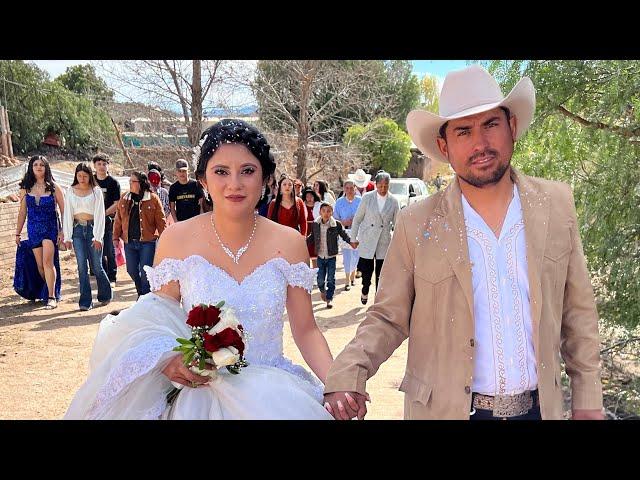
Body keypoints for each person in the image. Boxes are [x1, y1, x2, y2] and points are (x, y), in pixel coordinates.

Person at [323, 64, 604, 421]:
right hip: (446, 412)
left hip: (539, 410)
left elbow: (577, 313)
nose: (480, 143)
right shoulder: (416, 223)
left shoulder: (556, 204)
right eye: (463, 131)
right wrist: (350, 371)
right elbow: (387, 317)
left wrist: (589, 398)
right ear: (444, 146)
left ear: (512, 127)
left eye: (490, 124)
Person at [65, 119, 334, 420]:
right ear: (203, 181)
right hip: (201, 397)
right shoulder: (176, 239)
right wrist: (168, 359)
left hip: (274, 395)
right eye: (221, 171)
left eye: (247, 171)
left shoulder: (291, 242)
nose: (234, 183)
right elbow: (157, 317)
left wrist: (338, 384)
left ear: (266, 179)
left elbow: (306, 330)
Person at [13, 155, 65, 308]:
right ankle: (48, 289)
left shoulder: (54, 187)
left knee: (48, 262)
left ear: (46, 167)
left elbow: (64, 210)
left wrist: (62, 231)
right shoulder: (25, 188)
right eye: (35, 164)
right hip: (33, 229)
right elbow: (22, 212)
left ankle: (51, 297)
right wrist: (17, 232)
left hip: (50, 228)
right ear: (31, 167)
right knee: (40, 266)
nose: (38, 167)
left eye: (41, 165)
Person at [63, 162, 112, 311]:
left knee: (96, 266)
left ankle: (105, 294)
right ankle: (85, 301)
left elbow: (100, 215)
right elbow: (67, 214)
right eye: (79, 176)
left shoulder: (96, 191)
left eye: (85, 176)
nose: (82, 179)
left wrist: (98, 237)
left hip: (92, 229)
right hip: (77, 230)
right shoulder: (70, 191)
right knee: (81, 266)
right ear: (76, 176)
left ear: (90, 176)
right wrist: (67, 237)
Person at [113, 171, 166, 298]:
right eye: (129, 181)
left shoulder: (152, 199)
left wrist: (165, 240)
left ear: (141, 183)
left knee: (145, 272)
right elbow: (118, 219)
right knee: (131, 270)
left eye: (133, 181)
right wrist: (115, 236)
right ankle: (141, 292)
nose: (130, 184)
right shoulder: (125, 198)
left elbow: (161, 221)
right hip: (129, 242)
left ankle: (145, 299)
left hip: (147, 242)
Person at [349, 170, 399, 305]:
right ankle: (365, 289)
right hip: (367, 239)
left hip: (384, 240)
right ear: (376, 185)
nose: (383, 189)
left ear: (389, 185)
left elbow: (398, 224)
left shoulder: (394, 201)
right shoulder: (367, 198)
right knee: (367, 272)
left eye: (386, 186)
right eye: (380, 185)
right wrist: (353, 238)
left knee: (381, 273)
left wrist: (398, 243)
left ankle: (378, 300)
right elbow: (357, 219)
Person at [307, 202, 355, 309]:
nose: (326, 213)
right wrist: (303, 243)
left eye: (328, 211)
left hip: (331, 257)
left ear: (332, 213)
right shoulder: (315, 224)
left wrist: (351, 242)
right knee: (320, 279)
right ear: (320, 212)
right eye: (323, 211)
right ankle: (322, 291)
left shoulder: (336, 225)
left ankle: (329, 299)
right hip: (320, 256)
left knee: (330, 279)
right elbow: (312, 237)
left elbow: (344, 235)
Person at [93, 153, 121, 286]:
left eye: (104, 164)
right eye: (99, 164)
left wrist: (102, 214)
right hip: (92, 220)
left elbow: (117, 203)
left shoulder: (113, 183)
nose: (102, 167)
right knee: (97, 248)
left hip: (109, 220)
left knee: (109, 249)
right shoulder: (90, 181)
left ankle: (112, 277)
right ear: (94, 166)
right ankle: (101, 275)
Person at [333, 179, 362, 291]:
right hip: (344, 232)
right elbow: (335, 218)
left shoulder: (360, 201)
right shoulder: (339, 202)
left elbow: (365, 215)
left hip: (358, 232)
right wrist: (343, 222)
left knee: (355, 255)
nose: (349, 190)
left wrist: (357, 220)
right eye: (347, 188)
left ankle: (353, 275)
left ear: (355, 188)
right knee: (347, 256)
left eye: (351, 188)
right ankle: (346, 280)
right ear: (344, 189)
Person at [301, 187, 321, 267]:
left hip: (316, 230)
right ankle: (307, 273)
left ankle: (316, 272)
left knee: (315, 253)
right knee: (306, 252)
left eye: (311, 196)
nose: (309, 198)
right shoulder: (301, 205)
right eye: (307, 196)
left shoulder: (319, 205)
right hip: (305, 229)